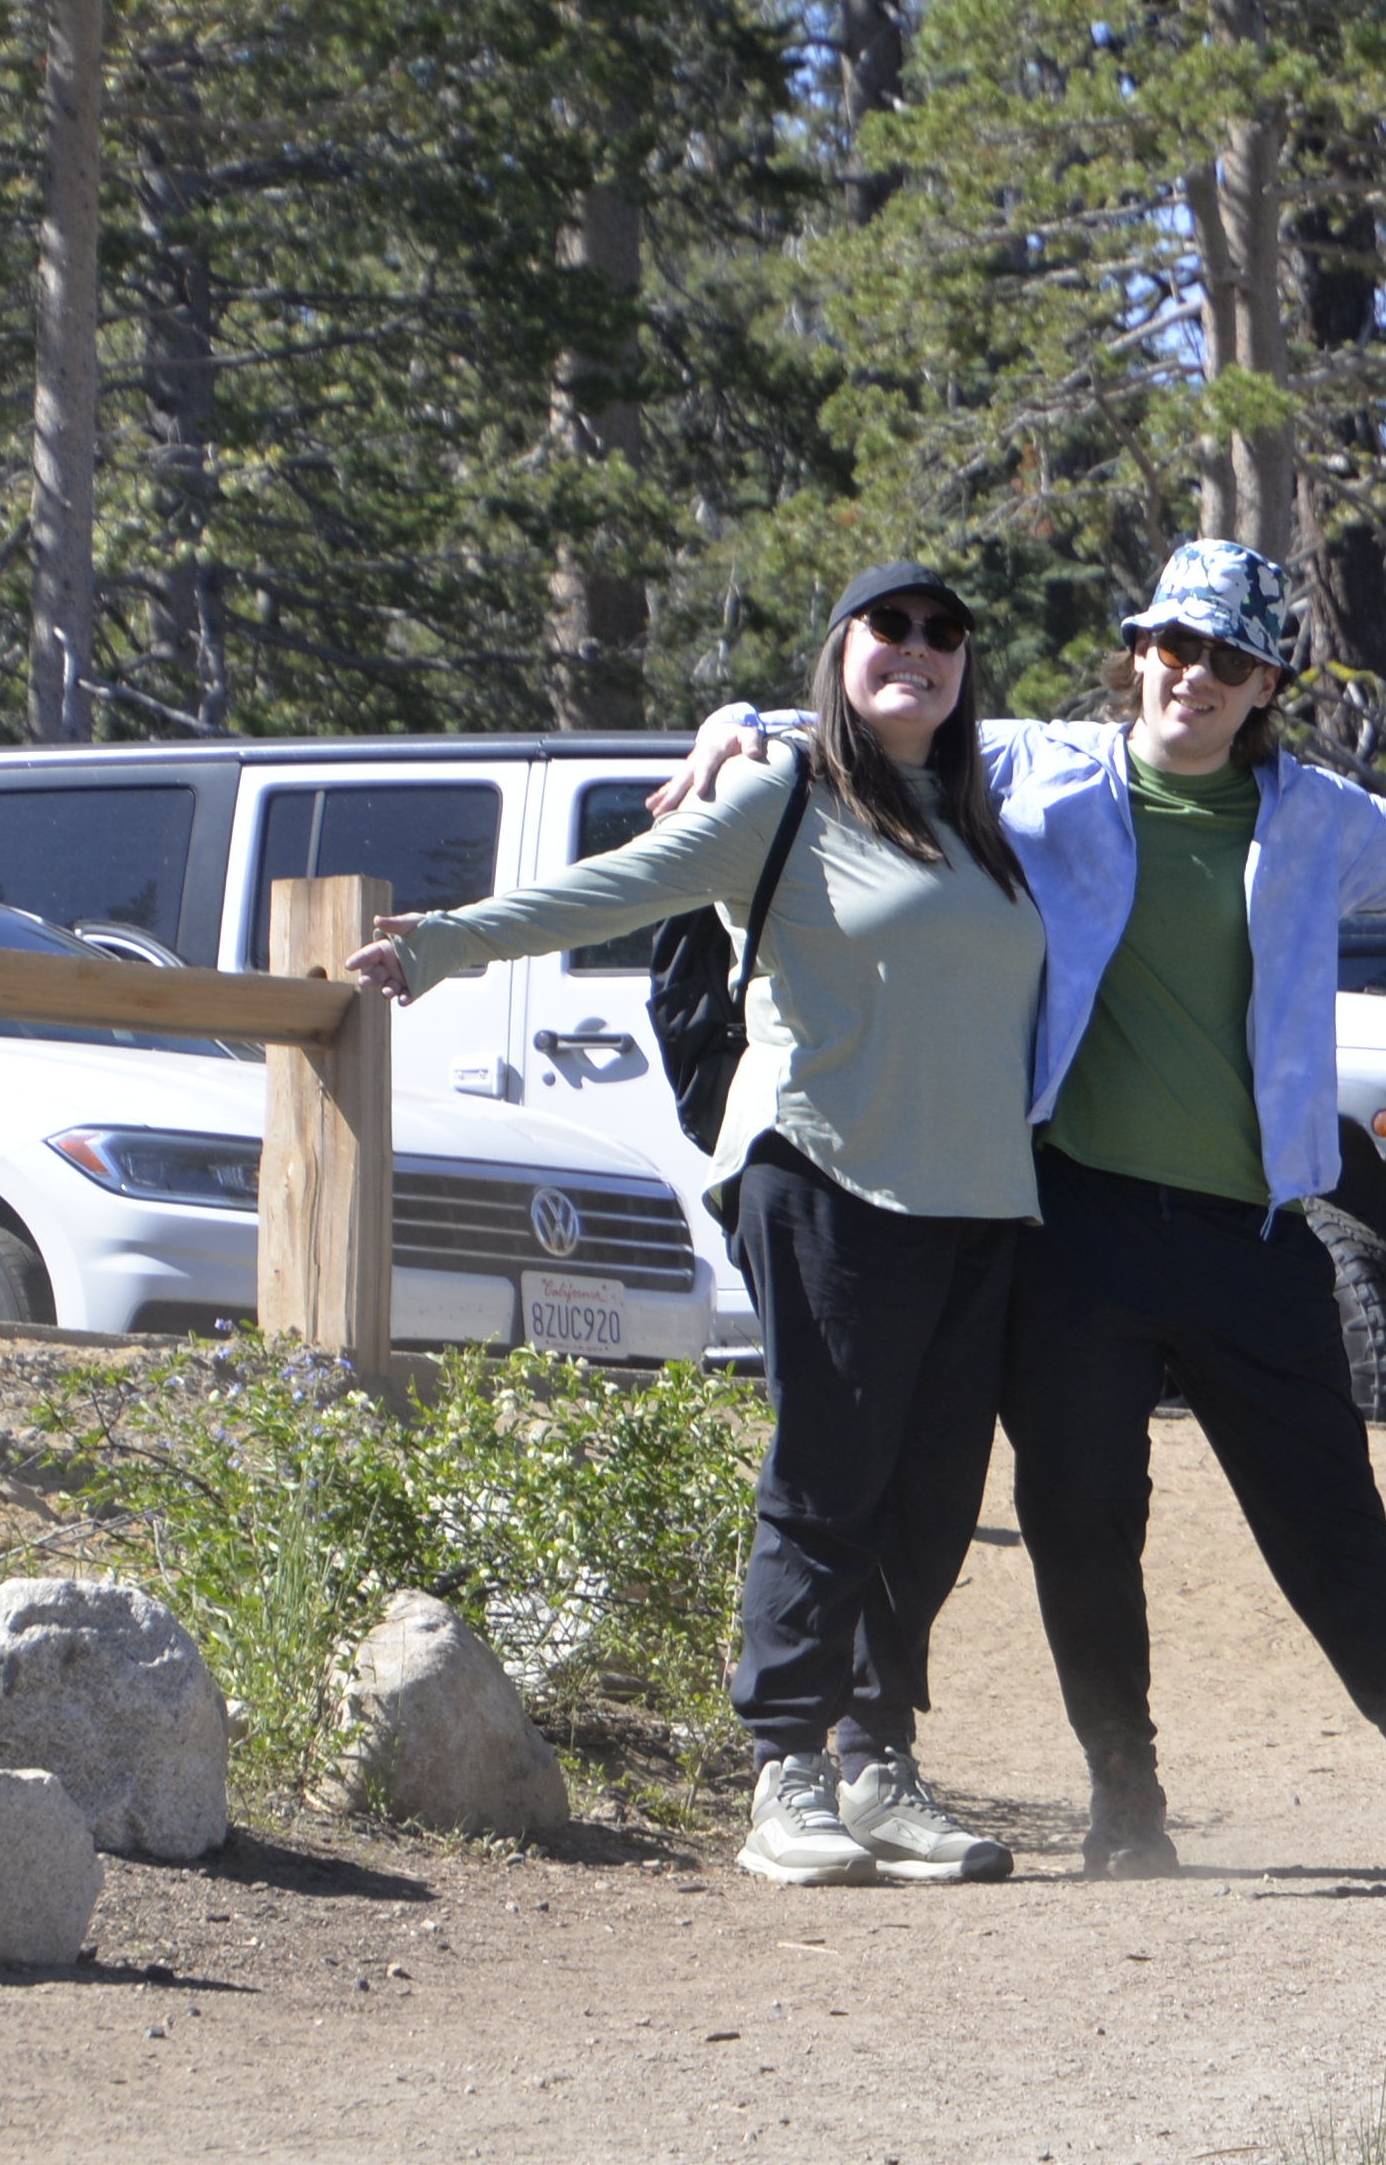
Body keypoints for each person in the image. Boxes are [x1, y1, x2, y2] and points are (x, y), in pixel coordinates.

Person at [662, 538, 1386, 1874]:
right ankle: (1126, 1803)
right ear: (1138, 656)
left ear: (1265, 688)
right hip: (1075, 1232)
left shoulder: (1316, 820)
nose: (1195, 675)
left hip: (1252, 1235)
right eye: (1176, 647)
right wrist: (731, 727)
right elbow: (866, 711)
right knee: (1083, 1518)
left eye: (1229, 659)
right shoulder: (1035, 772)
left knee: (1329, 1510)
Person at [343, 562, 1045, 1890]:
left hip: (977, 1206)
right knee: (829, 1479)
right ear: (837, 652)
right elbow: (617, 886)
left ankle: (878, 1767)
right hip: (823, 1178)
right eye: (888, 627)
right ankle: (787, 1777)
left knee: (934, 1501)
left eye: (946, 634)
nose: (920, 649)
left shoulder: (975, 822)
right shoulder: (782, 798)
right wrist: (447, 944)